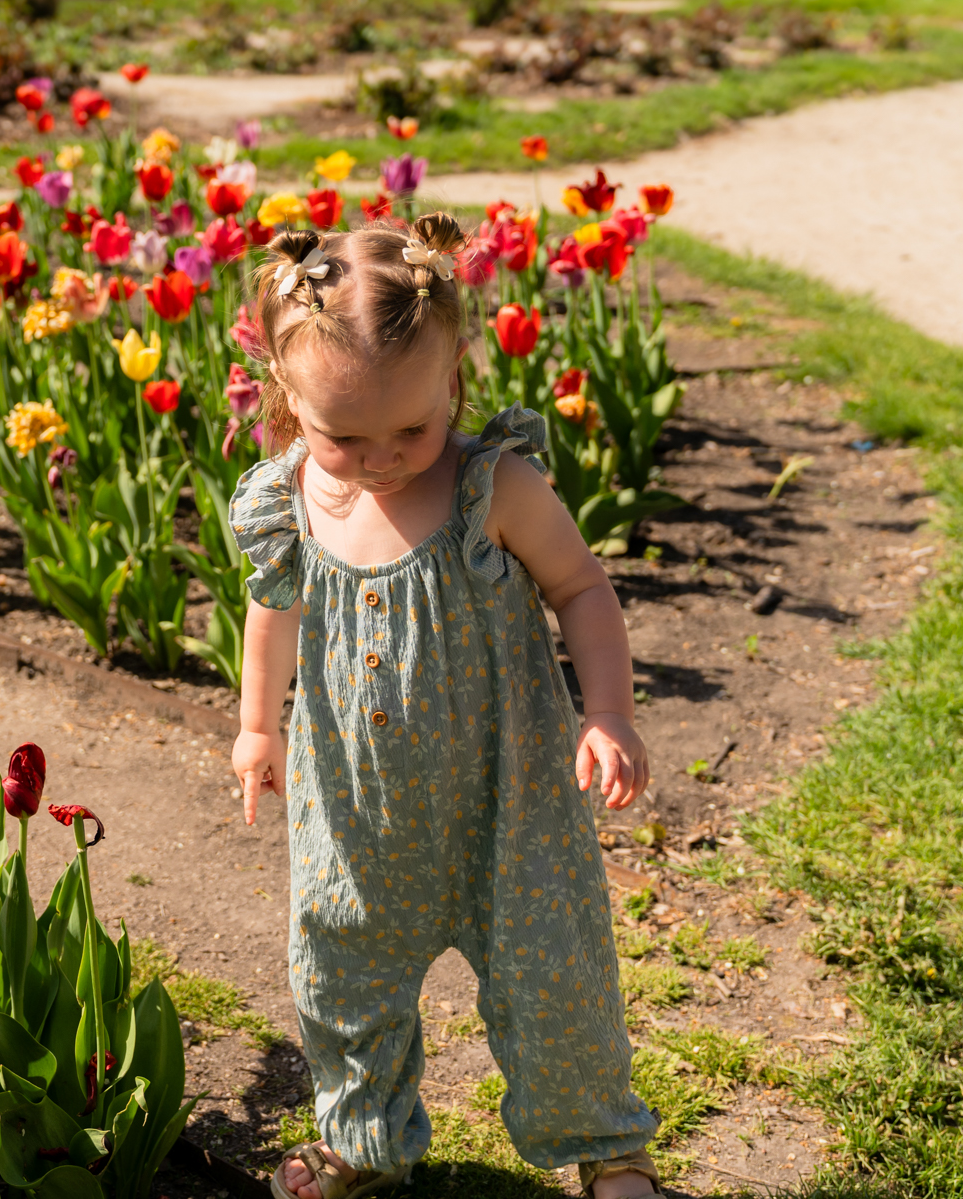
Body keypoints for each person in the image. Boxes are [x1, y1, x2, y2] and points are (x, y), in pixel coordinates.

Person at [228, 213, 662, 1199]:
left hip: (508, 810)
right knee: (340, 983)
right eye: (344, 436)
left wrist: (608, 712)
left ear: (455, 377)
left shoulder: (490, 488)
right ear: (288, 402)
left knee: (557, 981)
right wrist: (257, 725)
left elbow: (581, 590)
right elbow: (271, 612)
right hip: (355, 816)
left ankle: (605, 1147)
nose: (380, 458)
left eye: (409, 430)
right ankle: (364, 1135)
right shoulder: (289, 498)